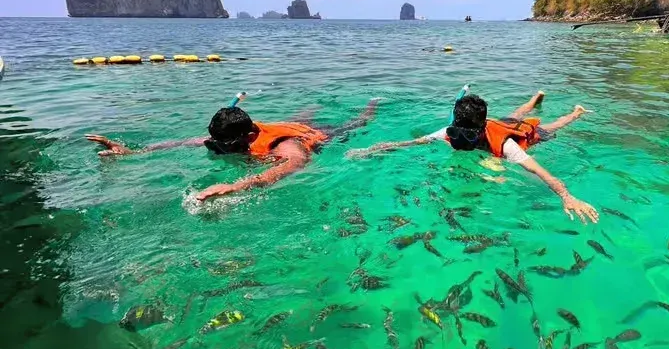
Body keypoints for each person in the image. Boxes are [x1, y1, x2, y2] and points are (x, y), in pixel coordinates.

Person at [347, 92, 598, 223]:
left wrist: (567, 196)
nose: (461, 141)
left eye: (469, 137)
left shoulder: (507, 146)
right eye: (458, 134)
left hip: (524, 134)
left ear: (480, 129)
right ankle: (535, 99)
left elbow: (542, 172)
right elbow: (411, 143)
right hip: (501, 122)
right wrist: (371, 149)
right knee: (514, 114)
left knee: (552, 126)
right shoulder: (449, 132)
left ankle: (575, 113)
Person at [86, 99, 379, 202]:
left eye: (226, 144)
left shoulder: (282, 146)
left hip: (314, 137)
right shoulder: (228, 136)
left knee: (356, 124)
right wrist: (135, 152)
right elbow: (185, 142)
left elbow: (291, 166)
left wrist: (236, 185)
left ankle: (371, 106)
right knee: (300, 118)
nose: (218, 147)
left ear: (249, 136)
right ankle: (307, 111)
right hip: (280, 126)